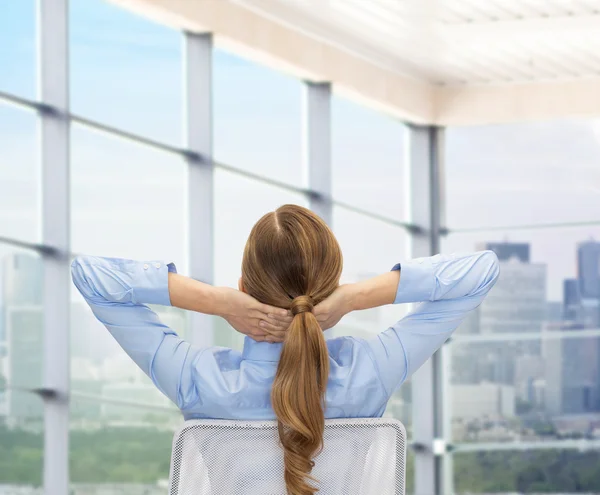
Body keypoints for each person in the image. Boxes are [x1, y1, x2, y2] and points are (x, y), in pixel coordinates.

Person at [71, 204, 499, 495]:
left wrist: (217, 302)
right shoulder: (371, 372)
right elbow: (480, 272)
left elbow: (92, 277)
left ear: (244, 287)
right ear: (329, 288)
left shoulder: (199, 382)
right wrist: (353, 298)